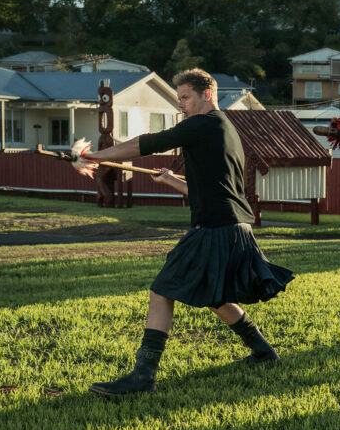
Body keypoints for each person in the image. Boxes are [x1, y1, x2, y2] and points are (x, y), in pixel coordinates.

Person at [87, 68, 293, 396]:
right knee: (214, 297)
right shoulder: (225, 130)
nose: (181, 104)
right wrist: (171, 180)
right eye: (178, 98)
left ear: (206, 94)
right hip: (233, 225)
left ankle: (143, 377)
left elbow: (148, 143)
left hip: (214, 229)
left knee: (162, 290)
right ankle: (264, 352)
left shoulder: (203, 124)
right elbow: (214, 190)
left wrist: (96, 156)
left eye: (185, 97)